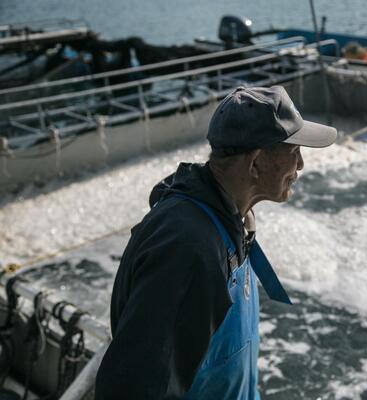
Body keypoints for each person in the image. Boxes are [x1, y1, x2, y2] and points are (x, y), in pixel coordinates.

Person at [95, 85, 337, 399]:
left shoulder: (232, 217)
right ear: (255, 164)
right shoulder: (189, 250)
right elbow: (132, 389)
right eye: (293, 151)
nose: (301, 164)